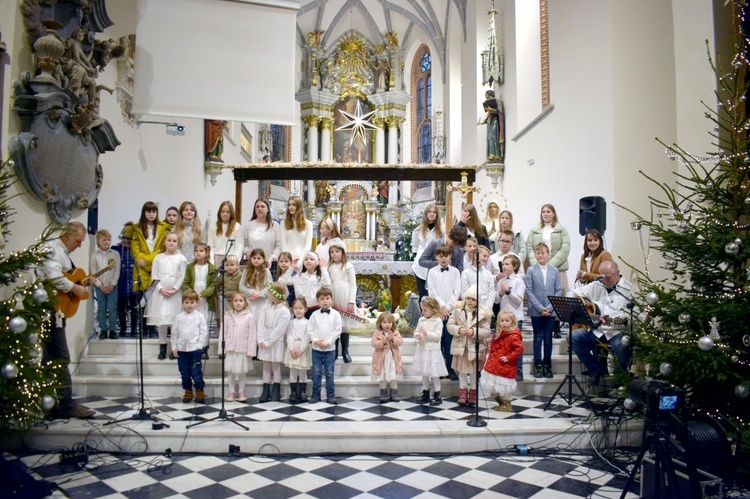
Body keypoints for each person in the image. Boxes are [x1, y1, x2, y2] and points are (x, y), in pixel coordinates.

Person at [40, 221, 95, 419]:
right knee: (61, 357)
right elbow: (53, 276)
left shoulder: (61, 251)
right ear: (66, 235)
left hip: (54, 310)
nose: (80, 245)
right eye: (78, 240)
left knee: (50, 357)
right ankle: (66, 404)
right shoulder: (53, 248)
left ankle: (52, 403)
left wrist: (81, 284)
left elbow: (65, 277)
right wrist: (74, 288)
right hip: (49, 310)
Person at [567, 260, 633, 389]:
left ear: (617, 274)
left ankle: (621, 378)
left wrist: (616, 319)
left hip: (616, 331)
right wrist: (583, 306)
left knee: (622, 344)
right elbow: (572, 293)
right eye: (602, 277)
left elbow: (634, 315)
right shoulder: (597, 285)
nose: (605, 281)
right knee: (573, 336)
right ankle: (596, 369)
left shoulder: (628, 289)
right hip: (597, 330)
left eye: (608, 277)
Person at [131, 201, 171, 336]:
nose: (151, 214)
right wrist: (140, 260)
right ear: (144, 213)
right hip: (141, 269)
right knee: (142, 300)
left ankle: (153, 330)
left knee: (154, 302)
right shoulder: (136, 229)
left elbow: (161, 249)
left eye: (154, 211)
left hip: (157, 266)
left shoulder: (163, 228)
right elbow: (135, 249)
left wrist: (147, 260)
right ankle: (143, 330)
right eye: (148, 211)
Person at [447, 286, 491, 407]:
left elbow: (486, 331)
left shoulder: (483, 313)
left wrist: (474, 332)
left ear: (477, 301)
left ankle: (472, 391)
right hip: (461, 346)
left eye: (473, 299)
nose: (470, 301)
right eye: (468, 298)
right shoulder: (457, 310)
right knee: (461, 370)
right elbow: (449, 325)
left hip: (474, 347)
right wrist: (458, 329)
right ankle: (462, 391)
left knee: (473, 371)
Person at [147, 232, 188, 360]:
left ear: (177, 243)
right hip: (161, 293)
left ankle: (174, 348)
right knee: (162, 320)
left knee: (174, 322)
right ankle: (162, 347)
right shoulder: (158, 258)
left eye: (174, 241)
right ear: (164, 242)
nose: (171, 243)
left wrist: (175, 288)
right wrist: (160, 289)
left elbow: (182, 275)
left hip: (175, 293)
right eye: (169, 240)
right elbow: (154, 276)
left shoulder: (182, 258)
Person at [525, 242, 562, 379]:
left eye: (543, 253)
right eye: (538, 253)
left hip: (550, 310)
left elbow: (558, 290)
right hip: (536, 310)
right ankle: (538, 364)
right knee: (537, 337)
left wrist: (550, 308)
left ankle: (547, 364)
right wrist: (540, 308)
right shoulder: (531, 270)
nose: (540, 255)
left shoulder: (555, 270)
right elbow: (529, 291)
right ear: (535, 255)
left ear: (548, 254)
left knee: (548, 338)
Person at [426, 244, 462, 381]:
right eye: (440, 256)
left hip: (451, 312)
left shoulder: (455, 272)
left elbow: (457, 291)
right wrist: (442, 306)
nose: (443, 258)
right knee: (438, 341)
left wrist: (448, 306)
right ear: (436, 256)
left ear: (450, 256)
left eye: (446, 255)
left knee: (449, 341)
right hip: (437, 311)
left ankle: (450, 368)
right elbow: (432, 291)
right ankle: (439, 369)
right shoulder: (432, 272)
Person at [481, 310, 524, 412]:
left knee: (504, 387)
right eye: (502, 321)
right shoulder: (500, 333)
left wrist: (509, 357)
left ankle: (506, 404)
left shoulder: (514, 335)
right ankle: (501, 403)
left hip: (505, 366)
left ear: (512, 322)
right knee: (493, 386)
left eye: (507, 321)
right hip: (495, 364)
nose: (504, 323)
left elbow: (519, 348)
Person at [171, 289, 209, 404]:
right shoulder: (179, 317)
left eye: (192, 302)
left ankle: (199, 390)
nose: (189, 305)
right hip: (182, 350)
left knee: (196, 372)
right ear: (182, 303)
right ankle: (188, 391)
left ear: (197, 303)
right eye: (186, 302)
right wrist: (174, 347)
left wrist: (199, 346)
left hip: (194, 350)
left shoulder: (200, 316)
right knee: (184, 373)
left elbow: (203, 332)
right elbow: (174, 333)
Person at [306, 287, 342, 404]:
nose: (325, 301)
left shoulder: (336, 314)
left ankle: (331, 395)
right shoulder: (314, 315)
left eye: (327, 298)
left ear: (331, 300)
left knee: (329, 373)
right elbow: (310, 330)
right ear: (318, 301)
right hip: (316, 349)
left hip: (330, 349)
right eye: (322, 299)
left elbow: (338, 331)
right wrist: (316, 340)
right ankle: (315, 394)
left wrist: (328, 342)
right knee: (316, 372)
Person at [257, 282, 291, 403]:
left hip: (275, 342)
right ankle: (265, 389)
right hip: (264, 339)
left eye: (270, 292)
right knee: (266, 365)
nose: (268, 294)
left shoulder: (284, 311)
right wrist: (260, 339)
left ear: (276, 294)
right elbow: (260, 323)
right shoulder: (266, 307)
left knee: (275, 366)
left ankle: (276, 389)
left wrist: (269, 342)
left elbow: (280, 330)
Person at [526, 203, 571, 295]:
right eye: (543, 212)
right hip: (538, 268)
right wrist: (536, 263)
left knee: (558, 297)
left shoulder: (561, 229)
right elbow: (529, 247)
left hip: (558, 268)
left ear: (553, 214)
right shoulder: (534, 230)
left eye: (548, 212)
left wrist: (551, 265)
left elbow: (565, 247)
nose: (545, 214)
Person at [220, 292, 256, 403]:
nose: (238, 303)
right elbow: (223, 332)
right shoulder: (227, 316)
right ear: (232, 303)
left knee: (241, 372)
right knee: (230, 372)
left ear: (245, 303)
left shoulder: (249, 316)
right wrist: (222, 349)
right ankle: (231, 391)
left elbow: (252, 334)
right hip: (231, 348)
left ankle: (241, 391)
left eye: (240, 301)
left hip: (243, 349)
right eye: (235, 301)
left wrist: (251, 350)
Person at [182, 243, 217, 358]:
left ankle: (204, 348)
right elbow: (186, 282)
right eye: (196, 250)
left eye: (201, 251)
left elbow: (213, 284)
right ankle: (193, 347)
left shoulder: (211, 268)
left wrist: (203, 294)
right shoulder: (190, 267)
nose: (198, 253)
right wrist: (192, 294)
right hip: (193, 299)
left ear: (207, 253)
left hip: (205, 299)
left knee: (204, 325)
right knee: (193, 323)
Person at [412, 297, 448, 406]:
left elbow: (437, 337)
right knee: (424, 372)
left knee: (435, 373)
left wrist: (426, 333)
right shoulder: (421, 320)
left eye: (425, 310)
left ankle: (437, 394)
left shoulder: (438, 321)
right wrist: (417, 334)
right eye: (422, 309)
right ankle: (425, 392)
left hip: (433, 350)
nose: (423, 312)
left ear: (433, 310)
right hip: (423, 349)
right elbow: (417, 330)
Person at [497, 254, 526, 381]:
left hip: (515, 318)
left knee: (515, 345)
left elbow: (519, 301)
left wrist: (508, 291)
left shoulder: (519, 281)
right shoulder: (500, 281)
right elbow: (497, 300)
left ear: (515, 266)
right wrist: (501, 292)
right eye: (503, 264)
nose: (504, 266)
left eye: (507, 264)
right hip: (503, 319)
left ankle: (518, 370)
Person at [328, 240, 357, 363]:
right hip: (333, 295)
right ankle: (334, 351)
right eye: (332, 252)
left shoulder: (348, 266)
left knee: (344, 325)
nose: (334, 254)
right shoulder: (329, 267)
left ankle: (345, 351)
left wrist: (351, 301)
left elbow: (353, 285)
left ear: (342, 252)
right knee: (335, 324)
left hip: (345, 295)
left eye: (337, 251)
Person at [91, 229, 120, 339]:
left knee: (112, 308)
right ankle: (103, 329)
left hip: (112, 286)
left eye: (108, 240)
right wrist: (100, 286)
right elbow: (94, 272)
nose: (106, 242)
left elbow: (117, 270)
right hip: (100, 287)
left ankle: (112, 330)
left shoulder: (115, 254)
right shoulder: (95, 255)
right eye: (104, 240)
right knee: (101, 308)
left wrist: (112, 284)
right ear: (98, 241)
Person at [410, 203, 443, 300]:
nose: (432, 214)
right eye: (429, 212)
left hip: (435, 263)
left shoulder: (441, 230)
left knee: (434, 294)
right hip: (420, 266)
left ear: (437, 215)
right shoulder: (418, 230)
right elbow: (415, 249)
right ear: (426, 214)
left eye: (434, 212)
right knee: (423, 295)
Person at [371, 311, 403, 403]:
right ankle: (383, 392)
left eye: (389, 322)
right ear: (380, 323)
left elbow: (400, 342)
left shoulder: (395, 332)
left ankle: (394, 392)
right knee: (383, 375)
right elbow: (374, 343)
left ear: (393, 323)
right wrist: (383, 341)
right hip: (382, 358)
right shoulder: (377, 333)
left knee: (393, 374)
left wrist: (393, 338)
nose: (387, 325)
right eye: (384, 322)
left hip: (393, 358)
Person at [284, 298, 312, 404]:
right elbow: (289, 336)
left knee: (302, 371)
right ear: (292, 309)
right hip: (293, 348)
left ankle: (303, 392)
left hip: (303, 349)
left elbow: (307, 336)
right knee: (293, 371)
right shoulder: (291, 323)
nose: (298, 310)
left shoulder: (308, 322)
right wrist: (291, 349)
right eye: (296, 308)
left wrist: (301, 349)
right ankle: (294, 392)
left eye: (300, 308)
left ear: (305, 309)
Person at [113, 223, 138, 337]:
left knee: (135, 309)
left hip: (134, 284)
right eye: (124, 237)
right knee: (121, 308)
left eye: (128, 238)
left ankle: (134, 329)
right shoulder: (116, 249)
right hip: (121, 283)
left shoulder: (137, 250)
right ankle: (123, 329)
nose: (126, 240)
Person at [239, 248, 273, 329]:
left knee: (261, 323)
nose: (256, 260)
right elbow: (241, 286)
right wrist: (252, 293)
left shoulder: (267, 272)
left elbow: (270, 286)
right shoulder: (246, 271)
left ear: (263, 260)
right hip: (250, 301)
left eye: (258, 258)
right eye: (254, 258)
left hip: (262, 302)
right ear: (250, 259)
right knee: (250, 323)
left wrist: (259, 294)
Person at [244, 199, 281, 271]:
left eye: (262, 206)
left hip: (269, 263)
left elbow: (279, 246)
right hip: (253, 263)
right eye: (257, 207)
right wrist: (248, 253)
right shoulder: (249, 225)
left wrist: (272, 257)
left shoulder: (274, 225)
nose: (259, 209)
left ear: (268, 209)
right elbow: (243, 244)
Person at [206, 200, 244, 267]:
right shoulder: (212, 227)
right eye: (223, 211)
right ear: (219, 213)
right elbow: (210, 246)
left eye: (228, 212)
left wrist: (234, 263)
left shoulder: (237, 227)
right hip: (216, 259)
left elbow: (239, 247)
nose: (225, 214)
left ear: (231, 213)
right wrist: (211, 262)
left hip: (231, 260)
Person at [293, 251, 331, 317]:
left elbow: (327, 284)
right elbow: (286, 281)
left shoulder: (320, 277)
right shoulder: (299, 276)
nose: (308, 261)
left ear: (316, 262)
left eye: (311, 259)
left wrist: (322, 267)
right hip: (302, 309)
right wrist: (293, 268)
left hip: (316, 308)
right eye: (306, 259)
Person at [280, 195, 313, 267]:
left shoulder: (308, 224)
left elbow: (307, 246)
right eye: (289, 205)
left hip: (302, 260)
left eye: (294, 205)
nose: (291, 207)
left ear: (299, 206)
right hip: (287, 261)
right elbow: (284, 244)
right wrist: (288, 261)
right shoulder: (283, 223)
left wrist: (300, 260)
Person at [461, 245, 494, 311]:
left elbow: (491, 293)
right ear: (476, 256)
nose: (486, 258)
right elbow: (464, 293)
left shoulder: (488, 274)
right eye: (484, 256)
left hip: (486, 309)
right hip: (471, 309)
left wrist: (487, 308)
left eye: (487, 257)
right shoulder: (466, 273)